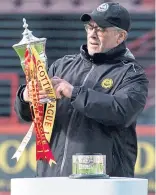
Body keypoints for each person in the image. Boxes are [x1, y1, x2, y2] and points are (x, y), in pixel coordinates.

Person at [15, 2, 148, 177]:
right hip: (52, 177)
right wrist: (26, 97)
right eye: (90, 27)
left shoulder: (131, 74)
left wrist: (74, 93)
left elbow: (121, 112)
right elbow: (29, 116)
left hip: (101, 182)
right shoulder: (62, 65)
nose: (93, 34)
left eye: (101, 29)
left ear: (120, 36)